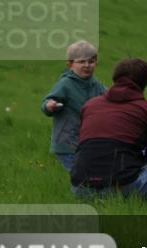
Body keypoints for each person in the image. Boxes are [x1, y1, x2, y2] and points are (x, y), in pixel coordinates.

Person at [71, 58, 147, 201]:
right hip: (122, 183)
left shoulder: (89, 105)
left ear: (115, 78)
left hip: (80, 187)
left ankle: (120, 204)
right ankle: (143, 208)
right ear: (145, 82)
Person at [41, 40, 106, 172]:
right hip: (67, 142)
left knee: (90, 173)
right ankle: (82, 191)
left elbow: (110, 97)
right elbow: (48, 101)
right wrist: (49, 105)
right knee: (79, 175)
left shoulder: (96, 85)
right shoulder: (66, 84)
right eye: (82, 62)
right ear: (70, 64)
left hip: (88, 141)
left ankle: (89, 190)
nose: (87, 65)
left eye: (91, 61)